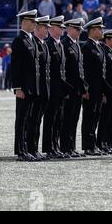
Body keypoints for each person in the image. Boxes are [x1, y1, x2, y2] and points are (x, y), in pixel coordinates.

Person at [11, 10, 39, 161]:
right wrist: (17, 87)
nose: (35, 24)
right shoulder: (19, 40)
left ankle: (27, 149)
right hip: (23, 87)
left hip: (32, 87)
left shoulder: (31, 40)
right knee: (21, 119)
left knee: (28, 119)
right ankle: (21, 151)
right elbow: (15, 67)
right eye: (32, 21)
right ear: (24, 22)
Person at [43, 15, 70, 159]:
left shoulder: (60, 44)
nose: (62, 29)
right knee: (50, 119)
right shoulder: (48, 44)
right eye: (60, 27)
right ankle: (49, 148)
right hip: (52, 88)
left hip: (61, 89)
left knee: (59, 119)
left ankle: (55, 146)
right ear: (52, 28)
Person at [60, 18, 87, 158]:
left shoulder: (76, 45)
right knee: (67, 119)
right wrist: (66, 89)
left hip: (77, 89)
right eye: (77, 29)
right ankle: (65, 147)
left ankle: (71, 147)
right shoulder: (65, 44)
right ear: (69, 29)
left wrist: (83, 88)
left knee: (74, 119)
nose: (79, 32)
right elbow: (63, 69)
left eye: (80, 30)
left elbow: (80, 69)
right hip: (69, 89)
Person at [81, 17, 107, 156]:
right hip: (90, 90)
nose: (102, 31)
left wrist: (103, 91)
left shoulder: (98, 46)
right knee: (89, 117)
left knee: (95, 116)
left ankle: (93, 144)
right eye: (100, 29)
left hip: (98, 90)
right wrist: (84, 89)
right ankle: (88, 146)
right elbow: (84, 70)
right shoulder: (87, 47)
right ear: (92, 30)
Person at [26, 16, 51, 161]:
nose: (47, 30)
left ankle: (34, 149)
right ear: (38, 28)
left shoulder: (43, 44)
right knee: (33, 120)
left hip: (43, 89)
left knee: (37, 120)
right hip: (36, 88)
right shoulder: (34, 43)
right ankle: (31, 148)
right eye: (45, 27)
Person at [97, 28, 112, 154]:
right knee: (105, 118)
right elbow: (104, 74)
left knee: (111, 118)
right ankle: (101, 142)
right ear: (107, 40)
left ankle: (108, 143)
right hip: (108, 90)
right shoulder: (104, 52)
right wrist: (104, 91)